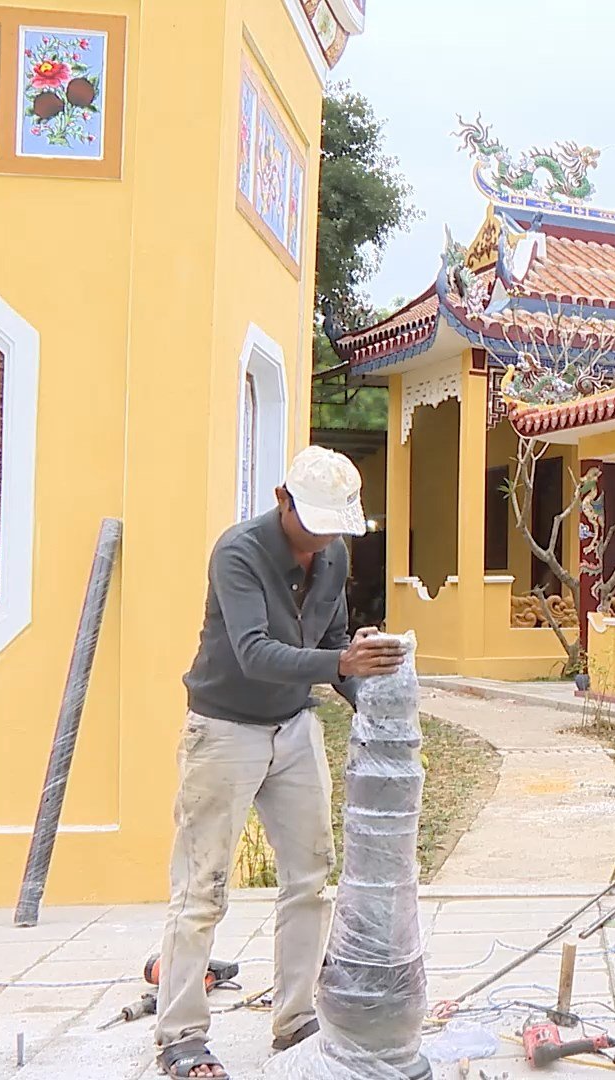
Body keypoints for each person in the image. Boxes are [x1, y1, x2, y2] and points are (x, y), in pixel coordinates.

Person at [157, 447, 407, 1080]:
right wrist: (340, 665)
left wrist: (371, 694)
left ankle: (295, 1018)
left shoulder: (334, 555)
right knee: (202, 886)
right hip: (224, 727)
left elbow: (330, 643)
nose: (322, 538)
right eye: (313, 522)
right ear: (281, 499)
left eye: (333, 526)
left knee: (310, 878)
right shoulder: (237, 553)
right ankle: (181, 1033)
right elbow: (253, 653)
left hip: (293, 728)